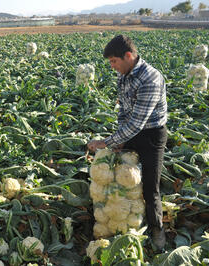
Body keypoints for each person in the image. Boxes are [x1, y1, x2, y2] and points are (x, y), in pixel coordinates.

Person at [87, 35, 167, 250]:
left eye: (114, 61)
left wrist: (107, 142)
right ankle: (117, 220)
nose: (112, 67)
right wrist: (119, 139)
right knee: (120, 177)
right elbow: (124, 111)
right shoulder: (124, 75)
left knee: (150, 187)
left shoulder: (151, 78)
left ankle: (157, 230)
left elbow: (139, 122)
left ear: (128, 56)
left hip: (152, 135)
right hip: (130, 131)